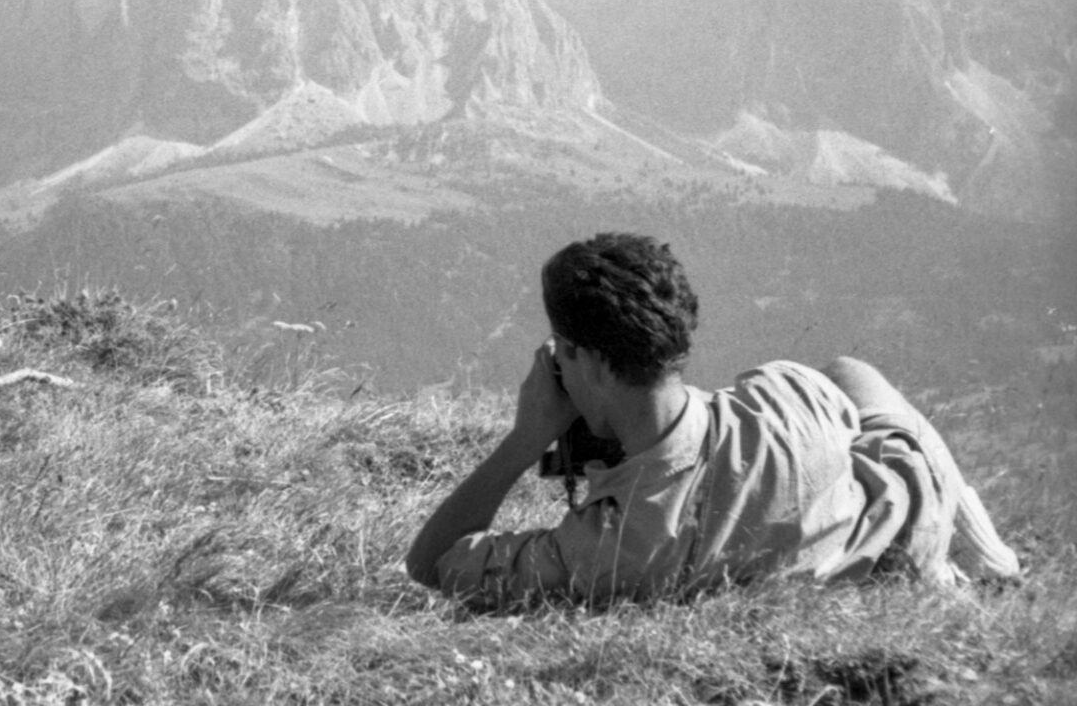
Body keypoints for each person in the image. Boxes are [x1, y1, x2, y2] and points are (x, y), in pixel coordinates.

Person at [405, 232, 1019, 607]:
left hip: (893, 561)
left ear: (589, 360)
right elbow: (836, 394)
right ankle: (991, 558)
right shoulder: (784, 396)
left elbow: (431, 563)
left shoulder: (611, 550)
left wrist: (525, 439)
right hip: (913, 510)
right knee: (851, 371)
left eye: (561, 349)